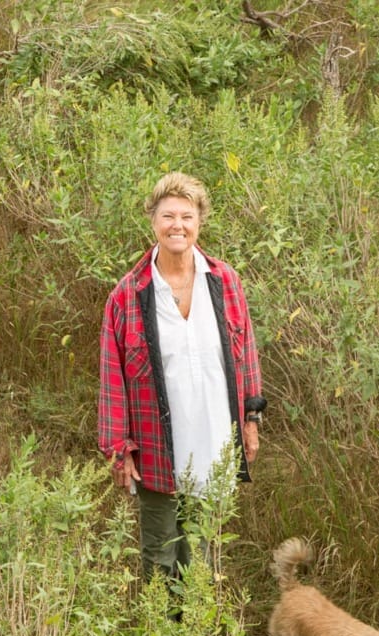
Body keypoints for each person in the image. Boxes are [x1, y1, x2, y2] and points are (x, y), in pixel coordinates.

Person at [98, 172, 265, 584]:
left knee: (202, 554)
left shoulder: (224, 281)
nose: (178, 225)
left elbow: (246, 358)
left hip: (213, 440)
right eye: (168, 216)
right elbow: (112, 377)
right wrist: (119, 448)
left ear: (199, 222)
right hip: (157, 447)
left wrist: (250, 419)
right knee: (160, 555)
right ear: (152, 222)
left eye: (187, 216)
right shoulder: (128, 293)